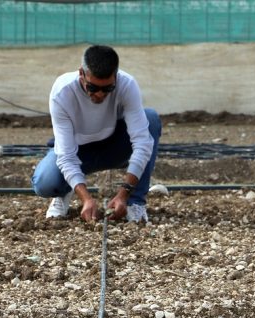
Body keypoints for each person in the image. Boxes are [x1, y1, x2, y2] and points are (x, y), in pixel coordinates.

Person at [31, 45, 161, 223]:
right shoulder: (62, 92)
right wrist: (86, 199)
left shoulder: (127, 84)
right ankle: (66, 191)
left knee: (150, 120)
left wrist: (124, 193)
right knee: (45, 182)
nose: (99, 94)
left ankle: (135, 202)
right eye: (92, 87)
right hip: (78, 150)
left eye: (107, 89)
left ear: (115, 77)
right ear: (81, 74)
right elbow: (66, 156)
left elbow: (142, 143)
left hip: (114, 146)